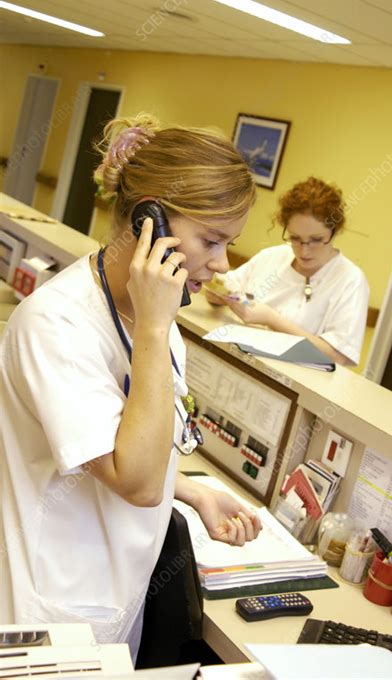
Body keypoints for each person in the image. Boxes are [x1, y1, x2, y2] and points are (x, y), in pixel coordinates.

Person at [0, 114, 261, 661]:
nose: (220, 266)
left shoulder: (151, 318)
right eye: (212, 241)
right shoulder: (59, 324)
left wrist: (192, 490)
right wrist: (155, 327)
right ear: (150, 220)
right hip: (49, 616)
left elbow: (131, 440)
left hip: (113, 599)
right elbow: (137, 481)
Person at [206, 177, 369, 366]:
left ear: (334, 231)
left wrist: (271, 319)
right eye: (295, 238)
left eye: (316, 239)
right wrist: (221, 295)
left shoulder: (350, 280)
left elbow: (338, 356)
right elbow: (221, 289)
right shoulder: (272, 257)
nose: (304, 250)